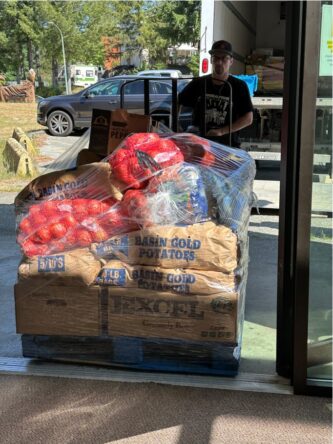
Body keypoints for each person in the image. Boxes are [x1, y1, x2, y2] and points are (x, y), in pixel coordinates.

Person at [178, 40, 253, 148]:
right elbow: (179, 101)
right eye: (216, 58)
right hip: (199, 146)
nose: (219, 62)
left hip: (229, 146)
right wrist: (178, 127)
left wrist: (221, 131)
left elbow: (248, 118)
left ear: (231, 61)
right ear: (211, 60)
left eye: (224, 58)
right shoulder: (199, 83)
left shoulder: (239, 86)